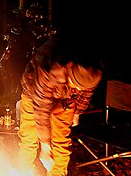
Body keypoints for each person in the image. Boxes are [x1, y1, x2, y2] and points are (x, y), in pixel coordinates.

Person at [16, 32, 103, 176]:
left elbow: (86, 92)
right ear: (69, 75)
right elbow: (41, 107)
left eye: (81, 88)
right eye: (77, 86)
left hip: (65, 100)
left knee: (61, 144)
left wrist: (77, 112)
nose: (80, 90)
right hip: (34, 94)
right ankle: (22, 171)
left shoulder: (91, 69)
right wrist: (45, 145)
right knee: (29, 139)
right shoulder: (49, 69)